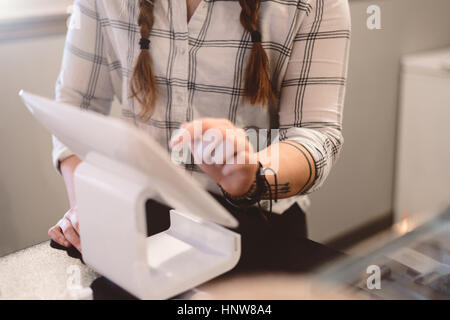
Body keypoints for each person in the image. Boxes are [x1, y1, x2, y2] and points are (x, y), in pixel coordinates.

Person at [48, 0, 351, 270]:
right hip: (143, 222)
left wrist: (251, 173)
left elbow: (314, 133)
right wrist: (84, 209)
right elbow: (76, 104)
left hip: (260, 229)